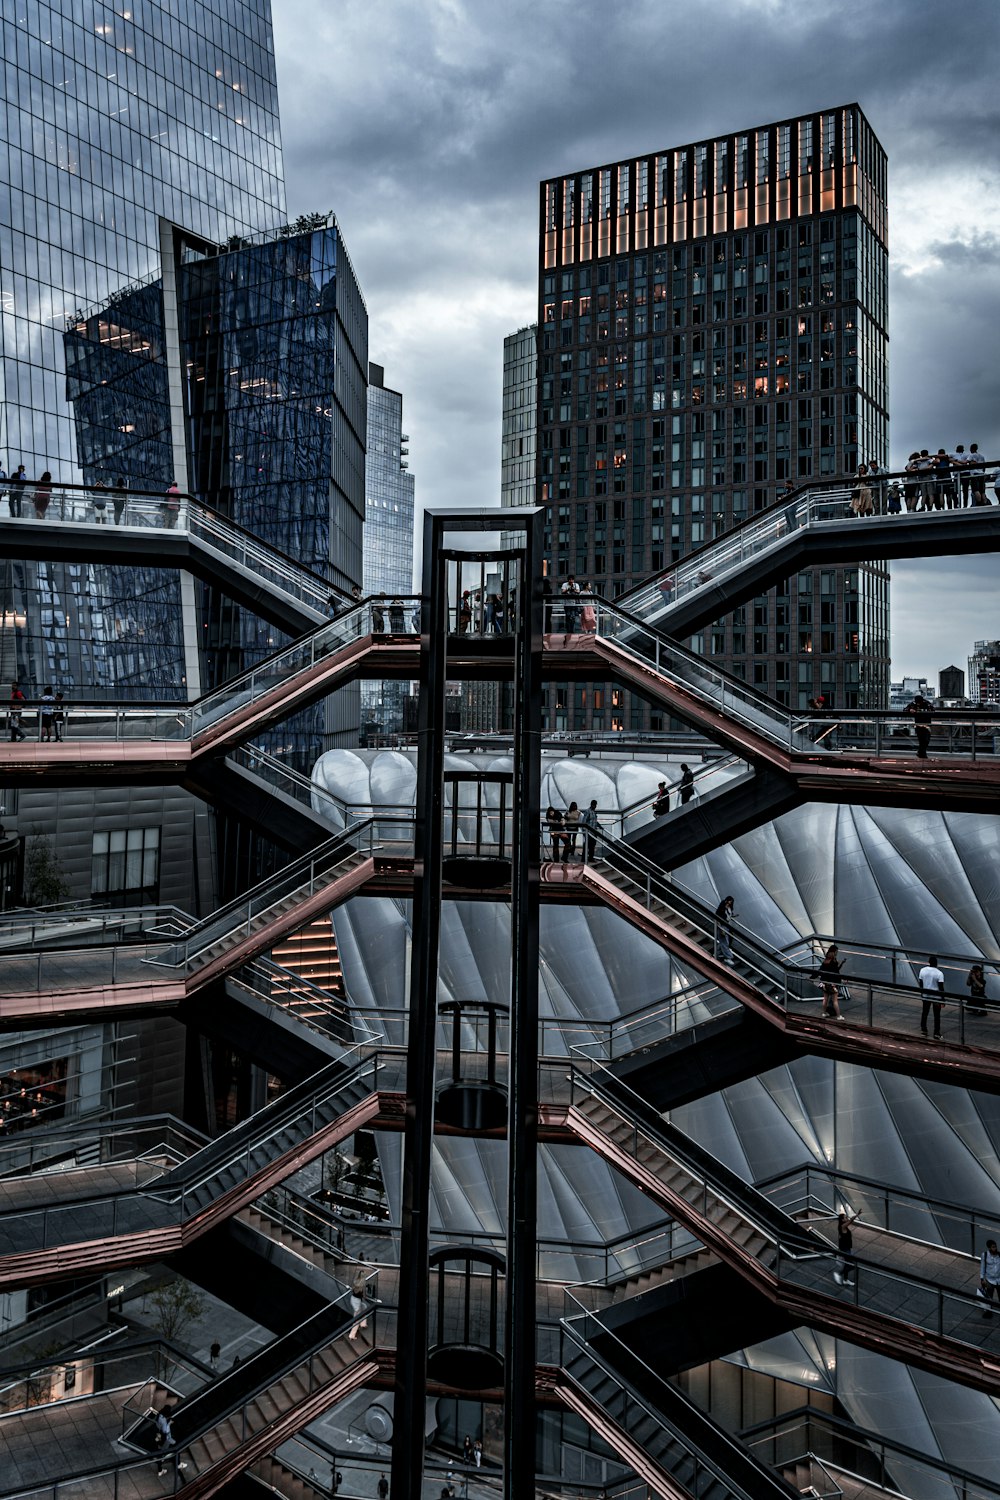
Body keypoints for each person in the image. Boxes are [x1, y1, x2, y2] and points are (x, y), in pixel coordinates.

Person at [154, 1402, 187, 1477]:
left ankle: (160, 1470)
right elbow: (165, 1431)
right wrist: (169, 1423)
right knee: (175, 1449)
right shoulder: (163, 1420)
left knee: (161, 1454)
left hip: (160, 1439)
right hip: (166, 1439)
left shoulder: (159, 1415)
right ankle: (178, 1464)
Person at [918, 954, 945, 1040]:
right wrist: (943, 999)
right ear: (936, 963)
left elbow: (921, 983)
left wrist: (922, 993)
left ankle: (924, 1030)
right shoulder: (939, 973)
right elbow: (941, 987)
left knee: (925, 1012)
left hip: (926, 995)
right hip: (936, 997)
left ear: (929, 962)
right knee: (937, 1015)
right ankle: (936, 1033)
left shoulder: (922, 970)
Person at [832, 1209, 860, 1287]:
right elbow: (851, 1221)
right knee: (852, 1265)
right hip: (845, 1249)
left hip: (846, 1248)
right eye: (845, 1217)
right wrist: (857, 1215)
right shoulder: (842, 1226)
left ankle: (845, 1280)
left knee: (847, 1264)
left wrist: (857, 1215)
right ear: (842, 1220)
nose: (846, 1218)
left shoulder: (843, 1226)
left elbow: (850, 1221)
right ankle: (838, 1274)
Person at [818, 943, 844, 1020]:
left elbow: (820, 970)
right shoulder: (833, 961)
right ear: (834, 952)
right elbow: (836, 972)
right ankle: (838, 1016)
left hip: (824, 982)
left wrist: (811, 977)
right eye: (836, 951)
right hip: (832, 983)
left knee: (825, 998)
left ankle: (824, 1013)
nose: (837, 953)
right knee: (835, 1000)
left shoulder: (826, 960)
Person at [905, 694, 932, 759]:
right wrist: (910, 710)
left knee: (926, 740)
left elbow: (932, 710)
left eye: (919, 703)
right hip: (918, 724)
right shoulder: (913, 704)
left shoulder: (927, 703)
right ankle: (922, 754)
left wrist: (922, 711)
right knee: (921, 740)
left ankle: (921, 753)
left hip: (926, 724)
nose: (918, 704)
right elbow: (905, 709)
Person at [979, 1239, 1000, 1317]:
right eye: (993, 1247)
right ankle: (988, 1312)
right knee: (989, 1297)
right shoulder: (985, 1255)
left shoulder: (999, 1255)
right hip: (989, 1280)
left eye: (995, 1247)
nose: (995, 1248)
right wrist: (982, 1279)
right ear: (989, 1248)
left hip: (999, 1280)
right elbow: (982, 1267)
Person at [347, 1266, 369, 1339]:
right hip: (357, 1303)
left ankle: (363, 1324)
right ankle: (352, 1335)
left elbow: (352, 1290)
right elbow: (365, 1296)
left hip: (353, 1299)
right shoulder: (362, 1286)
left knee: (364, 1307)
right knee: (356, 1319)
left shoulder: (355, 1281)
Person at [715, 896, 736, 964]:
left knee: (724, 941)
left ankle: (716, 954)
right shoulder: (722, 906)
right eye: (729, 901)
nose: (730, 903)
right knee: (724, 942)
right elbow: (717, 916)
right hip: (722, 925)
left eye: (731, 902)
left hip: (727, 926)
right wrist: (720, 928)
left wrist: (733, 916)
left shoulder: (730, 908)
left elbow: (729, 915)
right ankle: (728, 957)